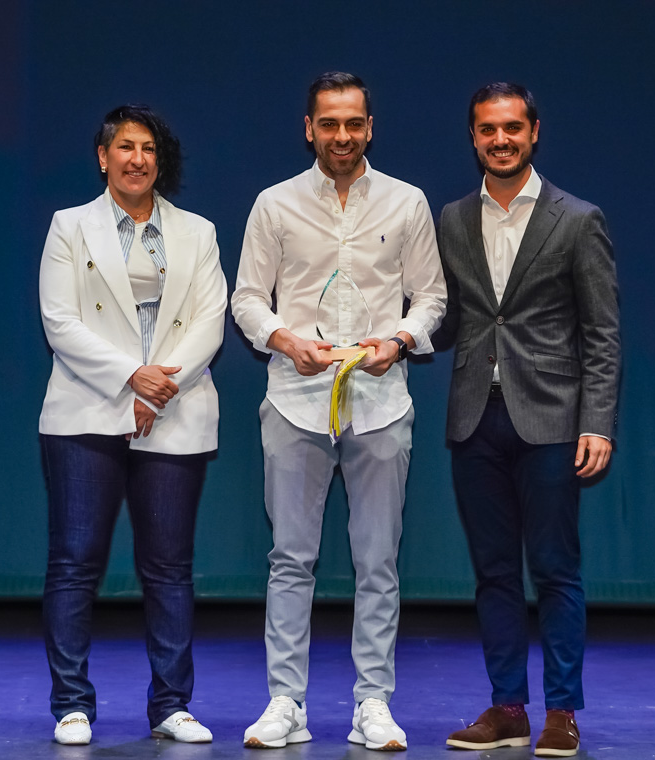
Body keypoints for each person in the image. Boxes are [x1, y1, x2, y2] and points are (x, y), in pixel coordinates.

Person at [231, 72, 446, 751]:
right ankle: (285, 703)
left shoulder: (407, 203)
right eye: (330, 124)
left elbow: (431, 298)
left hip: (381, 402)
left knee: (377, 561)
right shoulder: (274, 204)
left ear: (370, 127)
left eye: (354, 123)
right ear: (309, 128)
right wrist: (285, 340)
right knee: (290, 559)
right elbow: (246, 300)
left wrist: (399, 340)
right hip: (295, 403)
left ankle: (372, 704)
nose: (343, 136)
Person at [438, 83, 620, 758]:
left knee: (555, 570)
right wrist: (393, 336)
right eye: (488, 129)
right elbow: (449, 315)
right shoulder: (454, 219)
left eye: (513, 128)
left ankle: (562, 713)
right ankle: (508, 706)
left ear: (535, 132)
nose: (501, 140)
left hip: (552, 420)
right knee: (492, 572)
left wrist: (596, 422)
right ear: (473, 137)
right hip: (474, 419)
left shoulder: (577, 219)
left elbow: (602, 332)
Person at [37, 104, 227, 746]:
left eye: (148, 147)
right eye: (125, 146)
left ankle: (171, 705)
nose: (137, 158)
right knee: (74, 562)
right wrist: (130, 378)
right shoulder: (70, 226)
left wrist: (158, 386)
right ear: (103, 156)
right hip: (85, 414)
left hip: (175, 410)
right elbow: (60, 323)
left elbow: (210, 320)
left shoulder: (197, 232)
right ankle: (72, 704)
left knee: (169, 567)